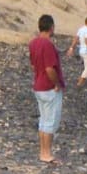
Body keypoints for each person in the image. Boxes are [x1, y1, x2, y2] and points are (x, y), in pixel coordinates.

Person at [29, 14, 65, 165]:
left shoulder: (33, 43)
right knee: (50, 121)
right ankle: (47, 154)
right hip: (48, 87)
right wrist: (57, 83)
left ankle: (43, 152)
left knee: (43, 120)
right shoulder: (47, 44)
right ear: (51, 27)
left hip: (38, 85)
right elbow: (50, 68)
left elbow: (33, 65)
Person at [66, 16, 87, 90]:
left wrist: (71, 48)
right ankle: (80, 82)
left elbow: (75, 39)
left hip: (81, 52)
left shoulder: (80, 29)